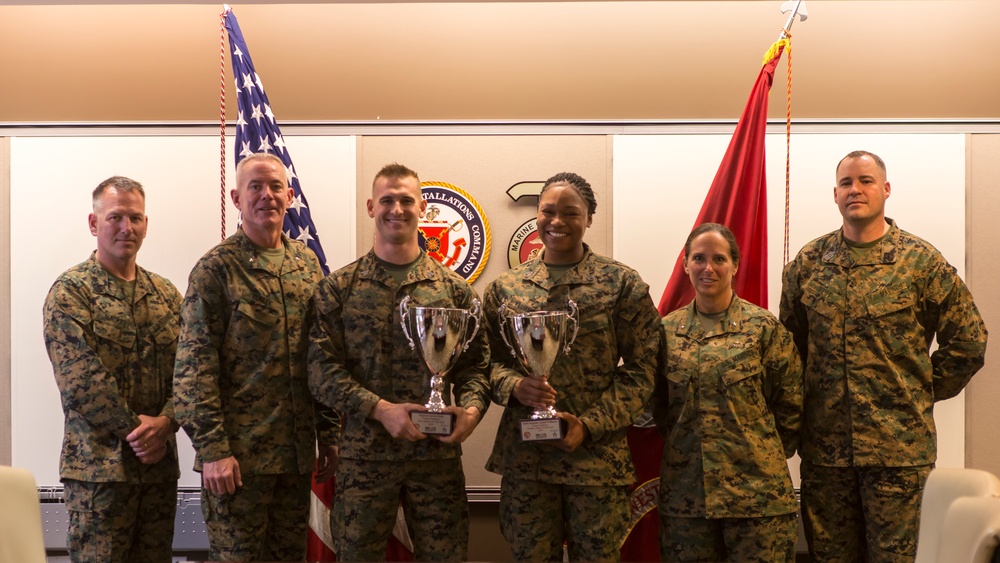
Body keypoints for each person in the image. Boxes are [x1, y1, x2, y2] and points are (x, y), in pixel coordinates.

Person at [780, 150, 988, 562]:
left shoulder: (920, 263)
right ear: (835, 195)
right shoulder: (807, 264)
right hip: (826, 455)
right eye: (845, 183)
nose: (855, 189)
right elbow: (789, 352)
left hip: (898, 455)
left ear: (886, 189)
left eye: (866, 181)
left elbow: (969, 341)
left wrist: (917, 391)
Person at [308, 162, 490, 562]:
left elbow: (476, 367)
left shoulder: (454, 292)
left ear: (422, 207)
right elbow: (321, 372)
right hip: (364, 458)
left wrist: (472, 412)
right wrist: (380, 409)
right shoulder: (339, 288)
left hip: (436, 458)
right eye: (387, 200)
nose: (397, 209)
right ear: (372, 206)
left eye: (406, 200)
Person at [483, 172, 661, 562]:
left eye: (570, 212)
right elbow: (485, 363)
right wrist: (513, 385)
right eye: (548, 211)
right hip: (527, 461)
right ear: (537, 215)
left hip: (596, 463)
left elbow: (644, 369)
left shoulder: (620, 284)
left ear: (589, 219)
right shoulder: (506, 289)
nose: (557, 221)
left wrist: (591, 424)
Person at [173, 152, 338, 562]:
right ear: (236, 197)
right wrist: (212, 450)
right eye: (255, 186)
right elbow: (194, 369)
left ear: (290, 194)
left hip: (297, 459)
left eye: (275, 186)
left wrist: (329, 433)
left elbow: (321, 355)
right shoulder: (216, 269)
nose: (267, 195)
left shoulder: (306, 264)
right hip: (238, 461)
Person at [43, 176, 181, 562]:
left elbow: (191, 373)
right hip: (98, 476)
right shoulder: (72, 291)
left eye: (135, 218)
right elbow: (81, 380)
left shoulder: (167, 295)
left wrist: (168, 421)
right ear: (94, 224)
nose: (127, 228)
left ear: (146, 224)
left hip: (157, 476)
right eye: (115, 217)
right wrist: (141, 433)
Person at [653, 222, 802, 562]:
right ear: (686, 264)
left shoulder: (764, 329)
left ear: (735, 265)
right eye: (699, 258)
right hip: (687, 502)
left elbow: (791, 407)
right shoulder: (664, 333)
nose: (709, 268)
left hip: (758, 500)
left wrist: (755, 455)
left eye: (719, 259)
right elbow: (659, 407)